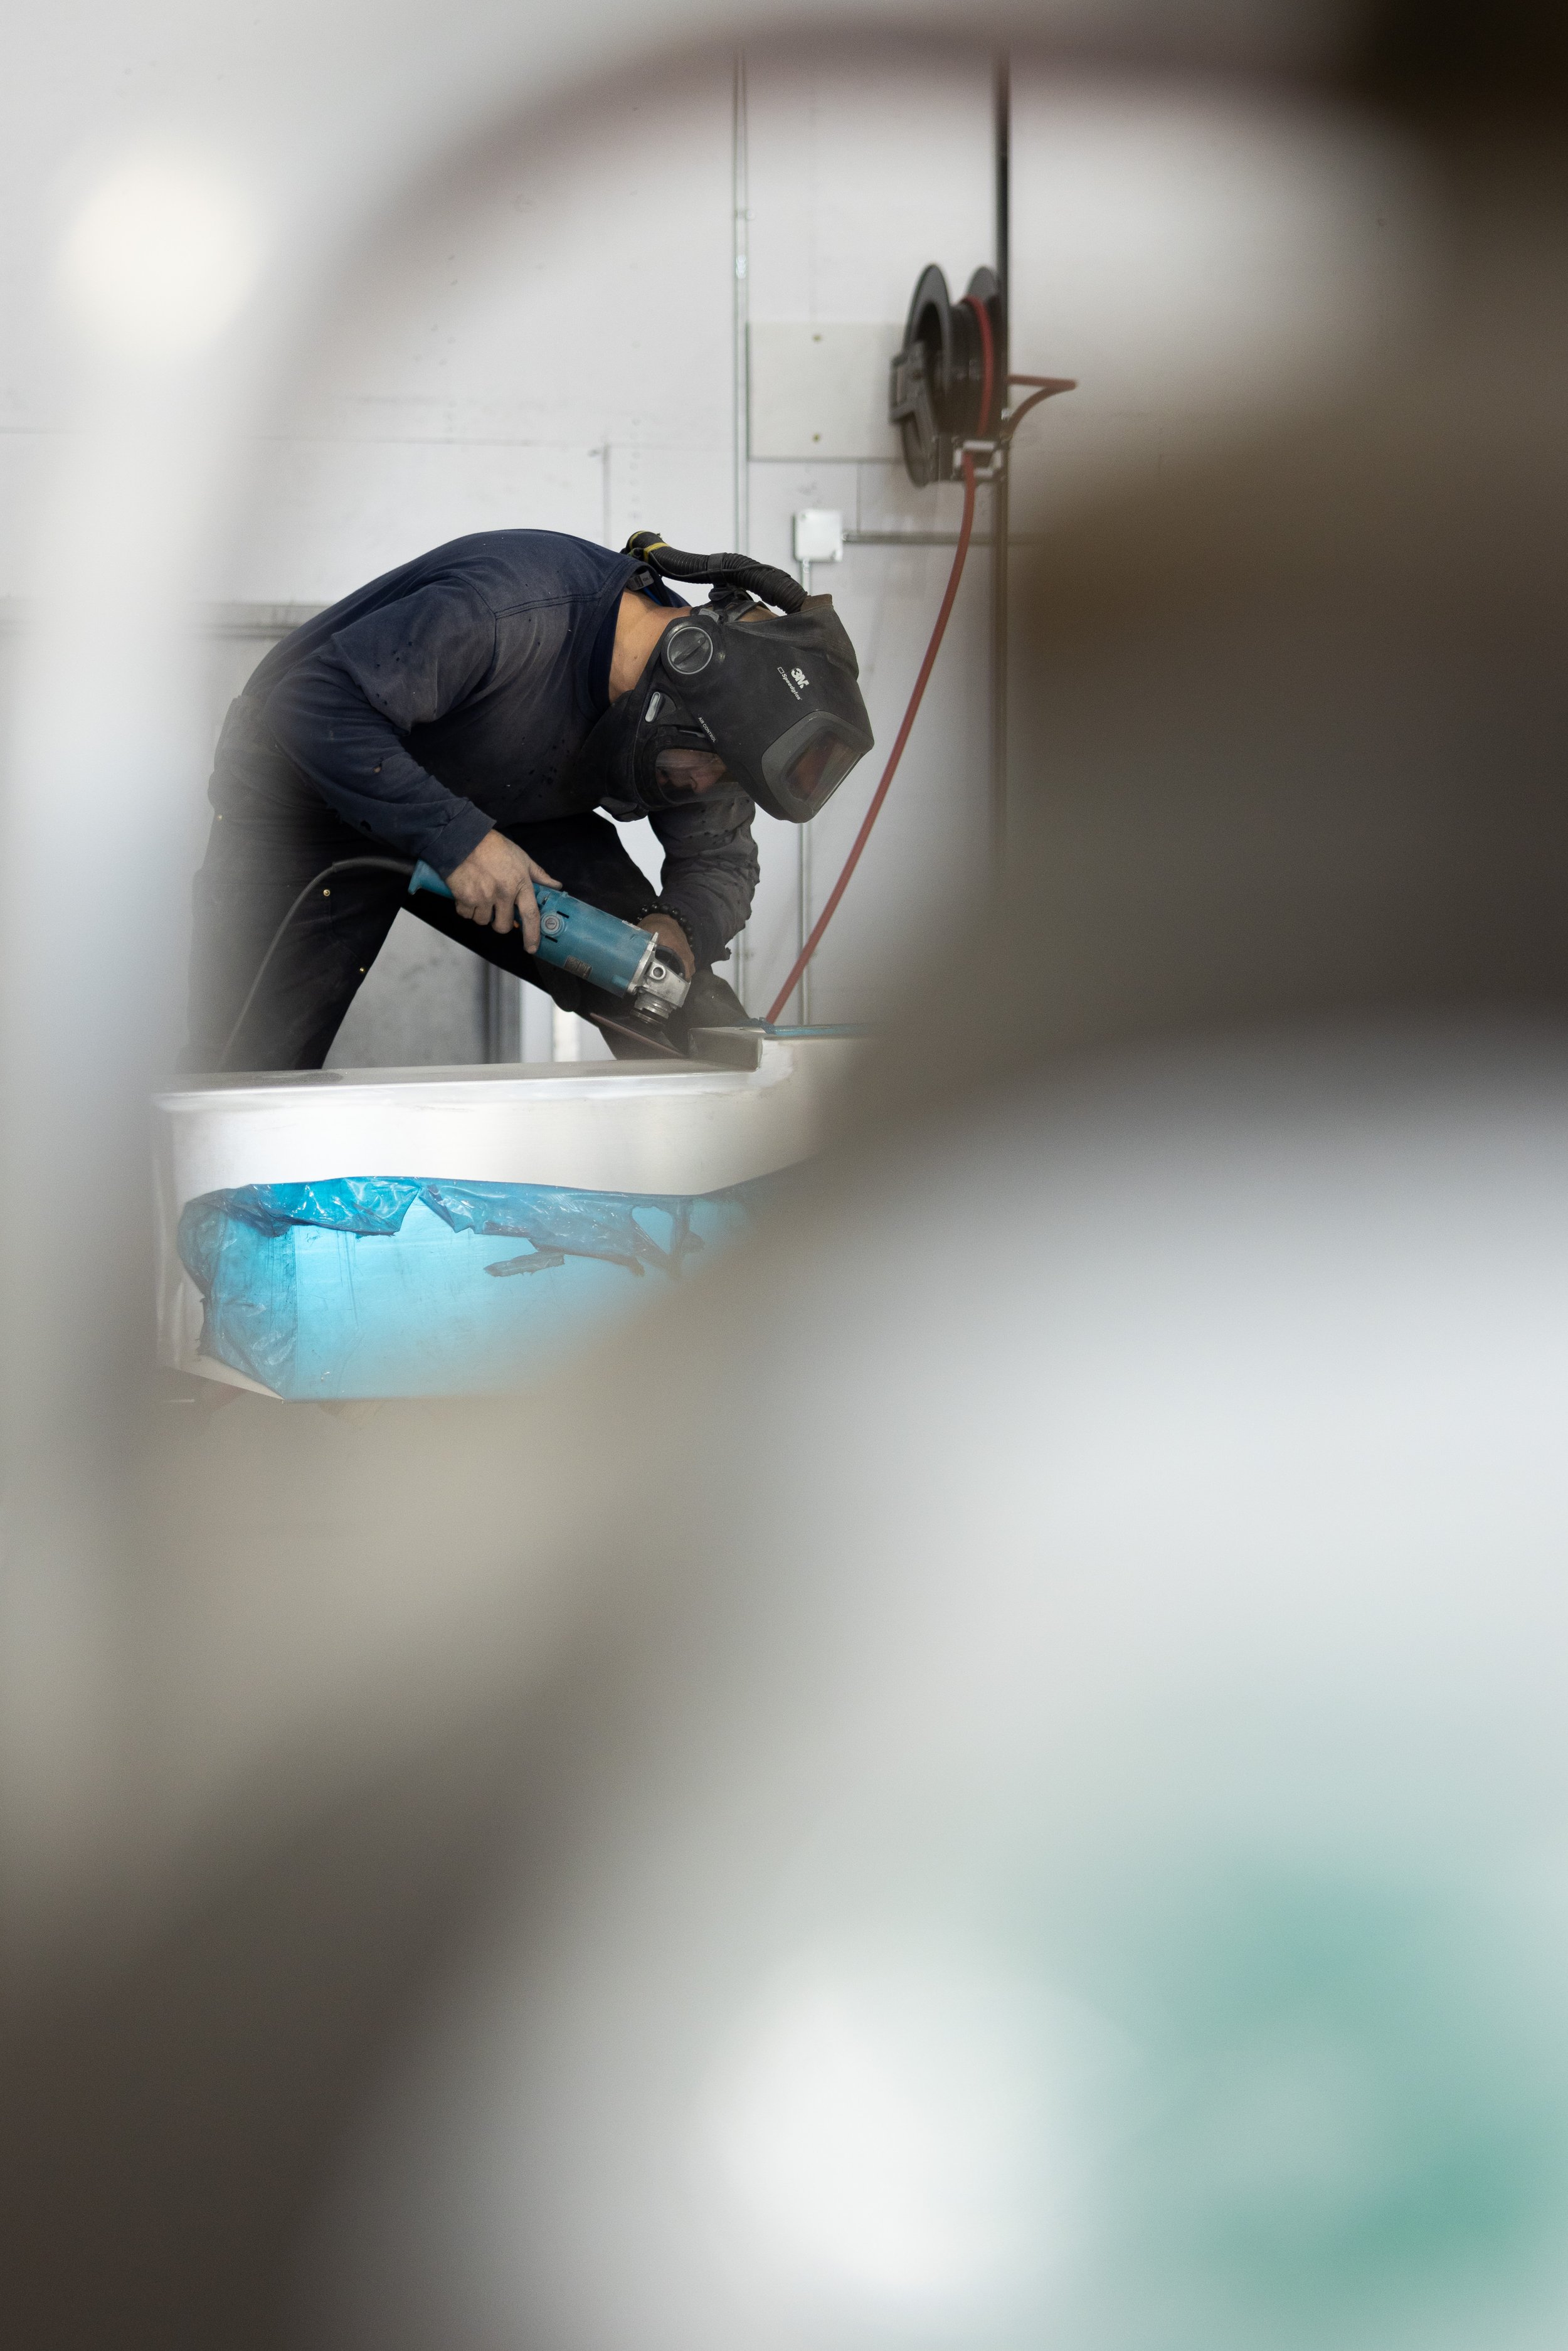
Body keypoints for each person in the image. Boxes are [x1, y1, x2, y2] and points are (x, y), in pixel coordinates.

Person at [184, 528, 872, 1069]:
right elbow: (313, 704)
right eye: (709, 770)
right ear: (682, 671)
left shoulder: (711, 726)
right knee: (247, 1064)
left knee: (663, 988)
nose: (700, 789)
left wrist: (680, 929)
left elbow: (719, 860)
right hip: (309, 787)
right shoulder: (507, 610)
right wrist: (460, 841)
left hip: (500, 800)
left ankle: (725, 1171)